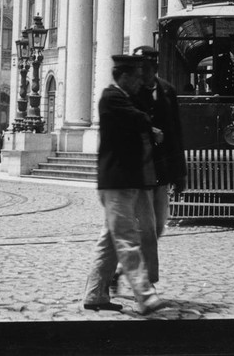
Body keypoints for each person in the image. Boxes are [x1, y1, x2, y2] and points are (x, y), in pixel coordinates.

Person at [82, 55, 168, 315]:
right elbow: (137, 118)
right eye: (135, 77)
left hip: (125, 181)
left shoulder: (125, 97)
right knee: (127, 240)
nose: (139, 82)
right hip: (117, 183)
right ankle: (146, 296)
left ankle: (95, 294)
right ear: (123, 76)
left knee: (110, 241)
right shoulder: (112, 97)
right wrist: (151, 128)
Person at [132, 46, 185, 287]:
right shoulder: (131, 91)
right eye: (140, 68)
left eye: (147, 67)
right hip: (140, 169)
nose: (143, 72)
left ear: (155, 68)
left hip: (162, 171)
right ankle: (146, 282)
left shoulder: (168, 91)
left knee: (159, 225)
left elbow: (176, 132)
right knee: (147, 228)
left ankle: (124, 265)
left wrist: (180, 174)